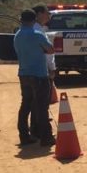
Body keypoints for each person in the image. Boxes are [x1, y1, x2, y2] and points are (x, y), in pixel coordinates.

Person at [14, 10, 55, 147]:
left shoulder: (17, 35)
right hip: (39, 75)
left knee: (25, 105)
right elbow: (50, 50)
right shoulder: (37, 35)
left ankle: (24, 136)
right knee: (42, 107)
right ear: (34, 20)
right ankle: (46, 137)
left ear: (21, 19)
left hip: (24, 74)